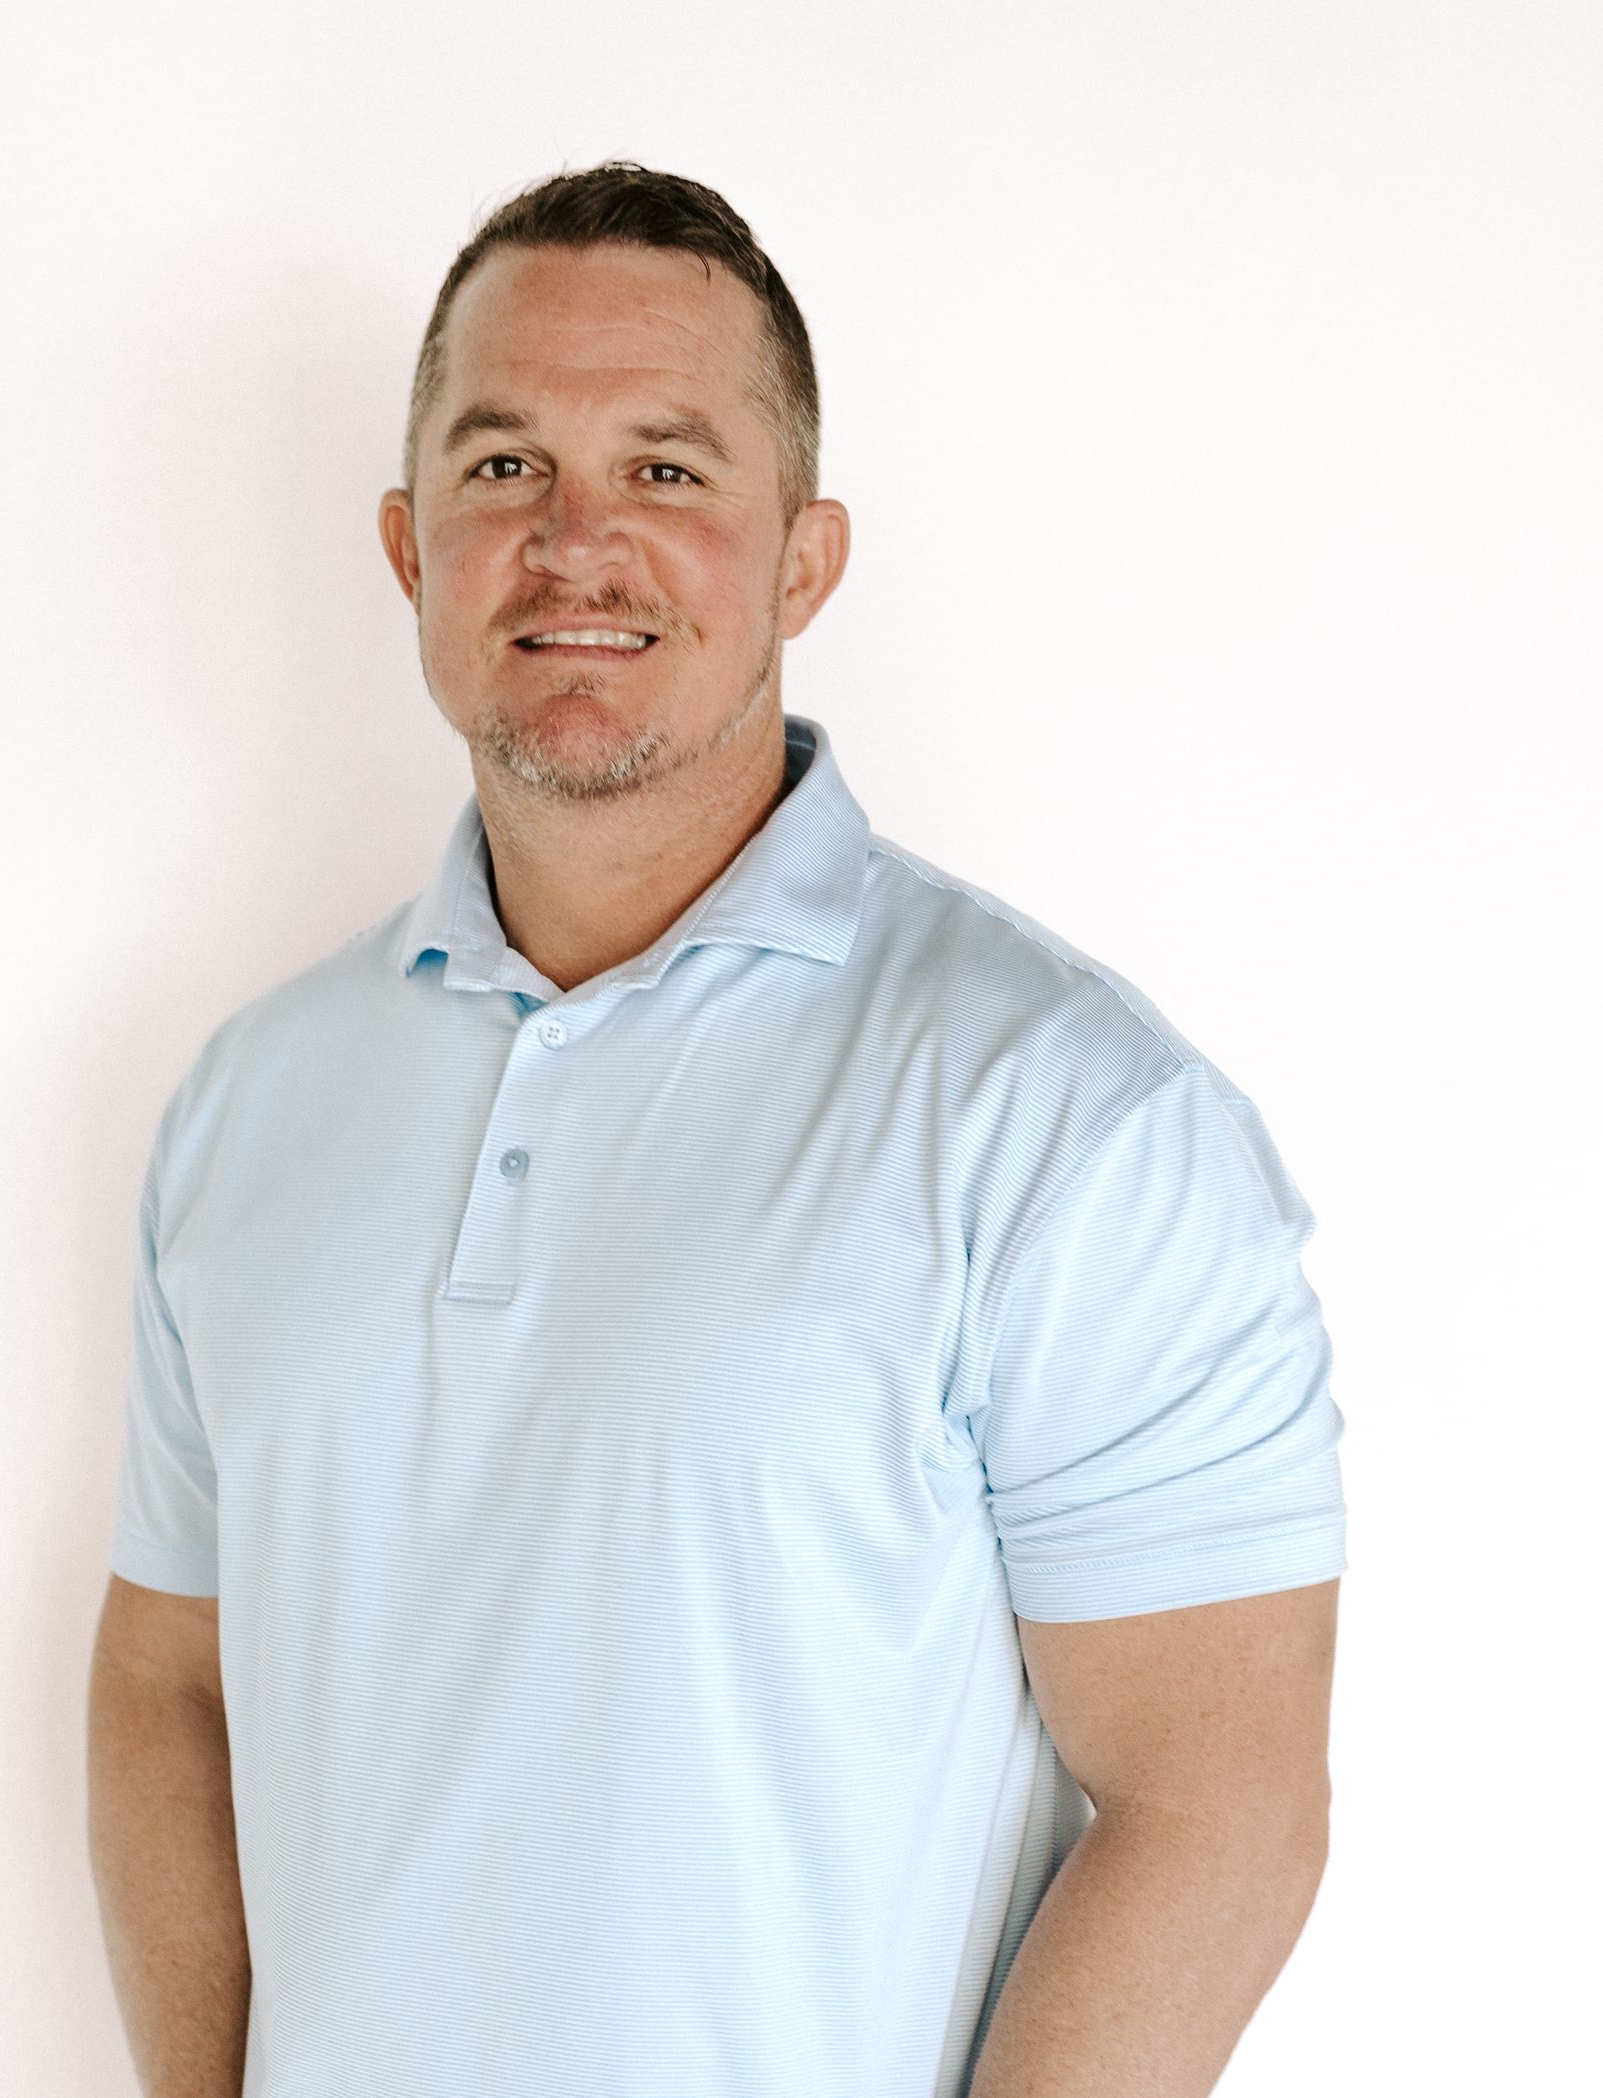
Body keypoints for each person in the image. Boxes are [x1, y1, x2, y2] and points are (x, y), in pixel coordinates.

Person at [86, 160, 1347, 2098]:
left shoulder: (1067, 1113)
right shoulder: (252, 1098)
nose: (576, 540)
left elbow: (1218, 1804)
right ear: (411, 545)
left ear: (805, 560)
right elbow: (174, 1678)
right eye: (504, 467)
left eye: (669, 471)